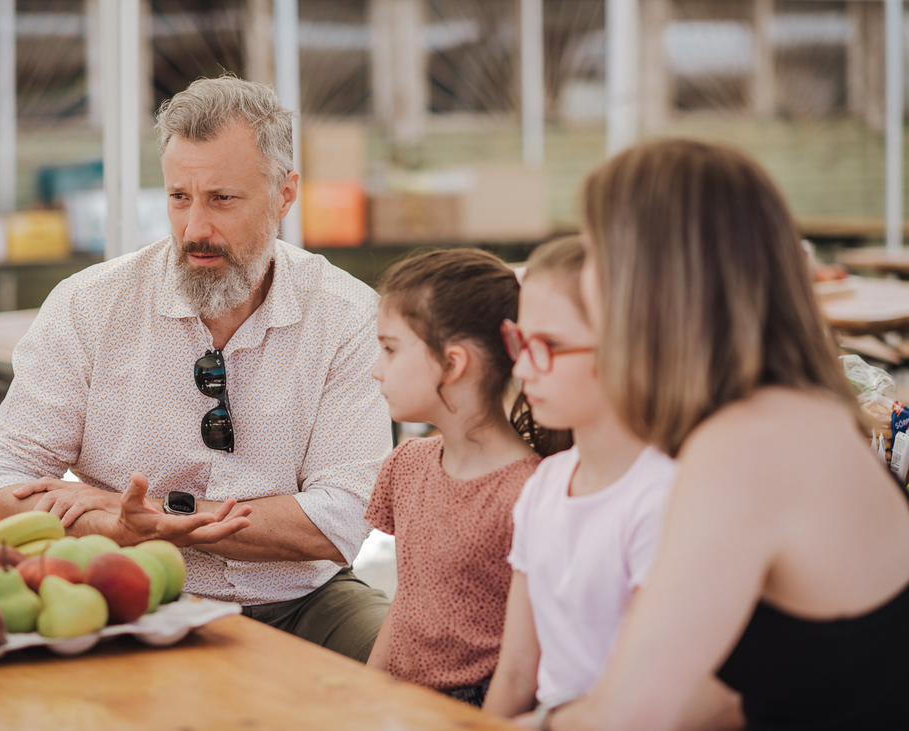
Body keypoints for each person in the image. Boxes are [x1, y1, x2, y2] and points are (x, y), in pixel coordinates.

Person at [0, 76, 392, 663]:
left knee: (426, 668)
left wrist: (161, 517)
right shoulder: (90, 303)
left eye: (222, 199)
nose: (195, 229)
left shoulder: (346, 314)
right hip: (134, 593)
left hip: (303, 598)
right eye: (178, 198)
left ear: (285, 193)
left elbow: (343, 518)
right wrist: (119, 533)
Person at [545, 139, 909, 731]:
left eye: (592, 253)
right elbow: (726, 698)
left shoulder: (744, 448)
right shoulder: (802, 409)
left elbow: (631, 716)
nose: (582, 280)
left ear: (646, 280)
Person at [482, 237, 741, 731]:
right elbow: (517, 674)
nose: (520, 368)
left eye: (551, 346)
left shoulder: (666, 497)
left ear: (630, 350)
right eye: (520, 340)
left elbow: (662, 702)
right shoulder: (544, 485)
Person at [364, 248, 572, 706]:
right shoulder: (407, 464)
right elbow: (407, 600)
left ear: (454, 363)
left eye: (390, 349)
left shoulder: (531, 492)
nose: (376, 368)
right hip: (403, 701)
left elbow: (524, 667)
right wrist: (365, 691)